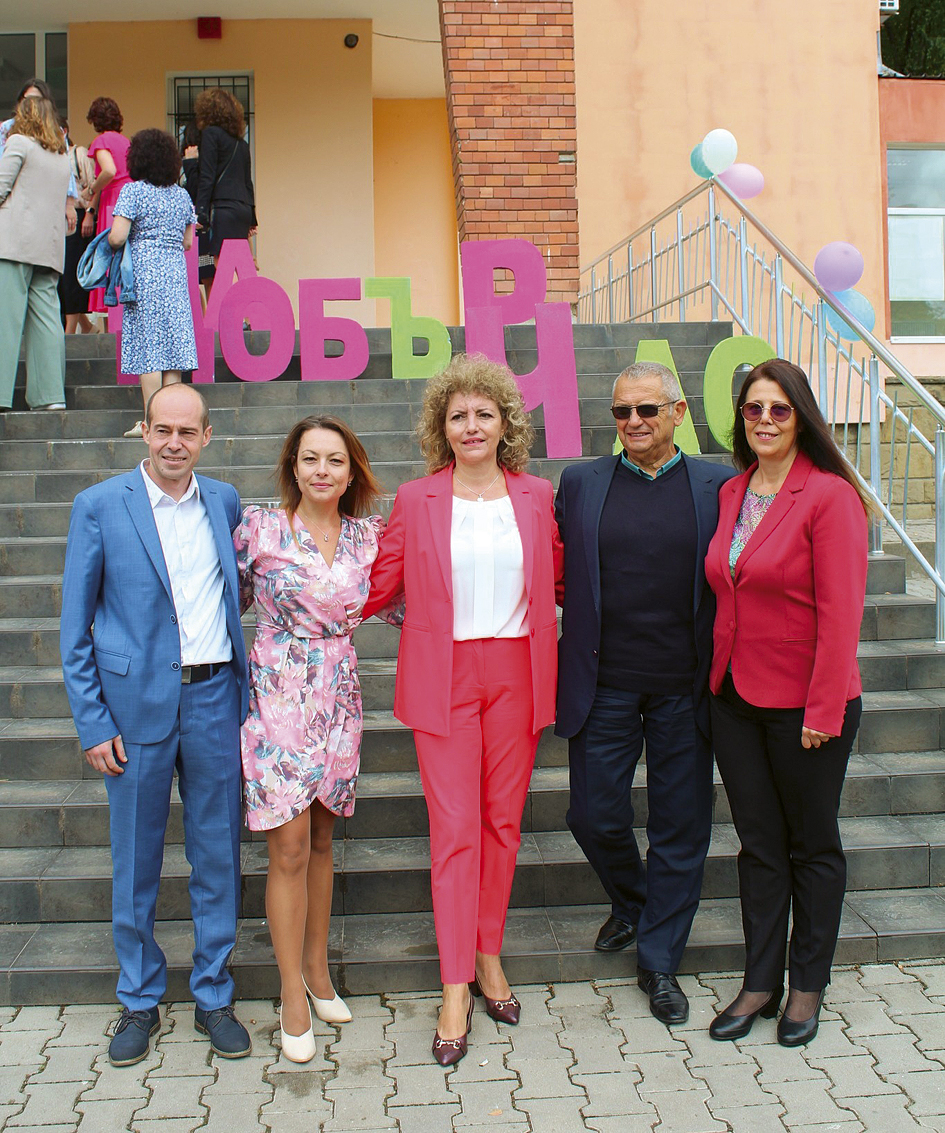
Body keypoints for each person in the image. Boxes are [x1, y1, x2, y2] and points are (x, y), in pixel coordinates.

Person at [363, 355, 563, 1067]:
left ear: (506, 423)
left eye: (484, 414)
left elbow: (560, 577)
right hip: (444, 674)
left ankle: (488, 954)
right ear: (440, 428)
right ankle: (454, 986)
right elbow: (379, 582)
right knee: (453, 832)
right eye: (458, 416)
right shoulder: (417, 498)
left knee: (501, 824)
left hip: (516, 672)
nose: (471, 426)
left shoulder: (536, 494)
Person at [59, 384, 252, 1068]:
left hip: (213, 699)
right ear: (144, 431)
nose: (174, 442)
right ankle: (139, 999)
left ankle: (213, 994)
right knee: (136, 860)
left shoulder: (224, 501)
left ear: (207, 436)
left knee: (217, 854)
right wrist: (92, 721)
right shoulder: (99, 505)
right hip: (132, 707)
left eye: (187, 431)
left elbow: (234, 592)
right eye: (163, 429)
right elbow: (74, 628)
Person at [555, 361, 735, 1026]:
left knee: (680, 826)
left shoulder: (720, 484)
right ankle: (634, 901)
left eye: (647, 410)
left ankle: (658, 959)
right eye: (621, 411)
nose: (633, 422)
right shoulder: (580, 482)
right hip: (603, 681)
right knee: (592, 813)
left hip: (685, 687)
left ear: (678, 412)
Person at [704, 359, 868, 1047]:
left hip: (807, 705)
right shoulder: (732, 490)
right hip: (735, 698)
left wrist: (822, 711)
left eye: (779, 409)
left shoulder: (829, 496)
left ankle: (807, 985)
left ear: (800, 417)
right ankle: (760, 980)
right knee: (759, 846)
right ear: (739, 418)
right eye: (753, 409)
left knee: (812, 845)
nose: (765, 420)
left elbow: (842, 613)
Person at [236, 416, 399, 1062]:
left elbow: (404, 602)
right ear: (293, 467)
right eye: (310, 458)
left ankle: (317, 971)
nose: (322, 470)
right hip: (277, 695)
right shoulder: (259, 529)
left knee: (324, 838)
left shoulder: (368, 537)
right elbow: (224, 601)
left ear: (351, 471)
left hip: (339, 696)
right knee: (289, 847)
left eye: (335, 460)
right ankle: (290, 995)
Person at [107, 128, 197, 438]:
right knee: (172, 352)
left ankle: (150, 422)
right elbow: (188, 242)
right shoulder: (182, 196)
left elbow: (117, 236)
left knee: (150, 350)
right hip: (175, 275)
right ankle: (171, 423)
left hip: (144, 275)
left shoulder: (133, 192)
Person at [0, 96, 72, 411]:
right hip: (49, 247)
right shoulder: (61, 155)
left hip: (14, 243)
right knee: (47, 322)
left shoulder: (19, 143)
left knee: (5, 319)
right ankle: (50, 396)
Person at [193, 88, 256, 287]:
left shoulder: (211, 134)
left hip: (223, 209)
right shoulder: (241, 144)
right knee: (241, 265)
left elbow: (207, 176)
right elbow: (247, 182)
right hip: (243, 210)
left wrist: (200, 212)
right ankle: (248, 304)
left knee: (222, 267)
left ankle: (228, 306)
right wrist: (252, 218)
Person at [84, 97, 131, 315]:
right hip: (130, 198)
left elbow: (108, 171)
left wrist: (91, 189)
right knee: (127, 256)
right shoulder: (126, 142)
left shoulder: (101, 141)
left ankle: (110, 313)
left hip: (113, 200)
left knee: (109, 255)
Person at [59, 122, 97, 334]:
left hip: (78, 216)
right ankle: (87, 326)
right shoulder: (50, 155)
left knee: (70, 274)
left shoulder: (78, 153)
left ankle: (70, 332)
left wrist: (89, 213)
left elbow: (93, 185)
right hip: (56, 219)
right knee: (59, 276)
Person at [180, 122, 215, 306]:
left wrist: (190, 164)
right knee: (190, 279)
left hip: (202, 227)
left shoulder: (201, 164)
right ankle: (201, 317)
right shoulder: (182, 164)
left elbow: (196, 190)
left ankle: (211, 317)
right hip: (187, 227)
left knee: (208, 275)